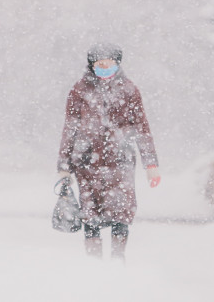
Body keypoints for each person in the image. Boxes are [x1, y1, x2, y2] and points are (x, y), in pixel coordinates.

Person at [56, 43, 161, 260]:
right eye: (100, 64)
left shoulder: (129, 90)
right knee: (90, 215)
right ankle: (94, 265)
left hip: (120, 162)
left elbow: (142, 127)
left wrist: (151, 164)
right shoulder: (79, 91)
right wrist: (64, 167)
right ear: (92, 66)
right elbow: (69, 129)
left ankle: (117, 261)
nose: (105, 68)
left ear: (118, 64)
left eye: (109, 64)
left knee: (121, 214)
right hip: (86, 163)